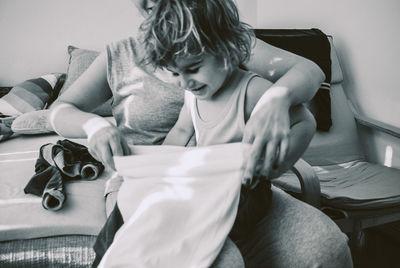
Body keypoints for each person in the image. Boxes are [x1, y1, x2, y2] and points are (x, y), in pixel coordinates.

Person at [49, 0, 353, 267]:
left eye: (192, 69)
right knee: (125, 233)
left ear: (226, 50)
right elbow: (181, 129)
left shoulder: (227, 45)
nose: (183, 82)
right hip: (164, 177)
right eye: (174, 73)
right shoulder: (129, 59)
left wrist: (277, 103)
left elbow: (308, 82)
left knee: (322, 248)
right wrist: (97, 126)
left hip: (226, 184)